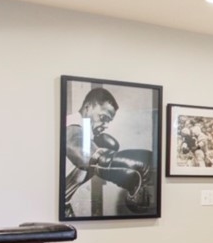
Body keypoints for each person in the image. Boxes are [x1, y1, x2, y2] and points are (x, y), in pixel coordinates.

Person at [63, 86, 153, 216]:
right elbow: (76, 144)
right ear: (88, 107)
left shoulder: (90, 138)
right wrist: (106, 159)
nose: (106, 126)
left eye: (109, 121)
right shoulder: (71, 125)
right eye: (103, 118)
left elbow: (81, 171)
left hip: (64, 206)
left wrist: (125, 179)